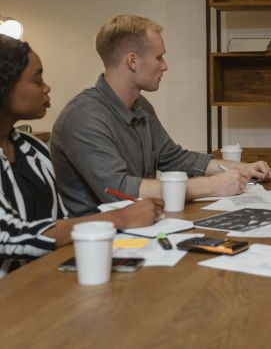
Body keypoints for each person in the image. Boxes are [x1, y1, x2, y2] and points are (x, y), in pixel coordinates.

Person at [51, 15, 271, 216]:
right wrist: (211, 186)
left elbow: (174, 158)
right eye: (159, 57)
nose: (165, 66)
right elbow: (118, 190)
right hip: (99, 240)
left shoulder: (141, 106)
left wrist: (241, 168)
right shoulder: (83, 118)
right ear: (133, 61)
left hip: (143, 226)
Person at [0, 35, 163, 276]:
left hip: (46, 280)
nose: (47, 87)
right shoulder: (83, 115)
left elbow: (61, 220)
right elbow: (9, 237)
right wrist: (121, 218)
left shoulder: (32, 148)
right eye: (37, 80)